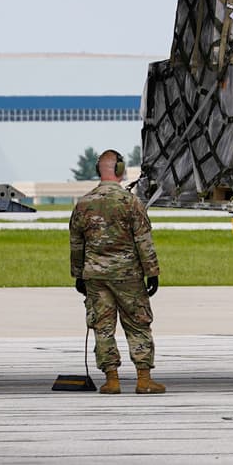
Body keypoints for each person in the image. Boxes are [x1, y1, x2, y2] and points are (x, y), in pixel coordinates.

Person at [70, 149, 165, 395]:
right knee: (137, 325)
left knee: (102, 327)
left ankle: (111, 380)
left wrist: (78, 274)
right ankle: (144, 380)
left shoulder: (83, 203)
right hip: (128, 275)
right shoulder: (131, 202)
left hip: (95, 276)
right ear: (120, 171)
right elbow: (144, 241)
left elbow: (76, 243)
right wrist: (152, 272)